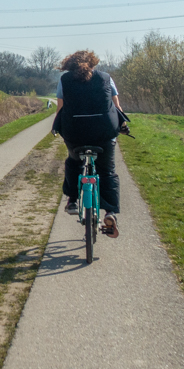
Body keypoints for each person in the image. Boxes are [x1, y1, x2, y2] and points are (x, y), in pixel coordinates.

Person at [53, 50, 126, 238]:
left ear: (70, 65)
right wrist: (122, 125)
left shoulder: (65, 80)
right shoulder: (106, 78)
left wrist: (60, 129)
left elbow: (60, 109)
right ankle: (110, 212)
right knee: (107, 170)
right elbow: (116, 107)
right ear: (93, 63)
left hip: (74, 132)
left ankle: (72, 200)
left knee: (73, 161)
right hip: (104, 132)